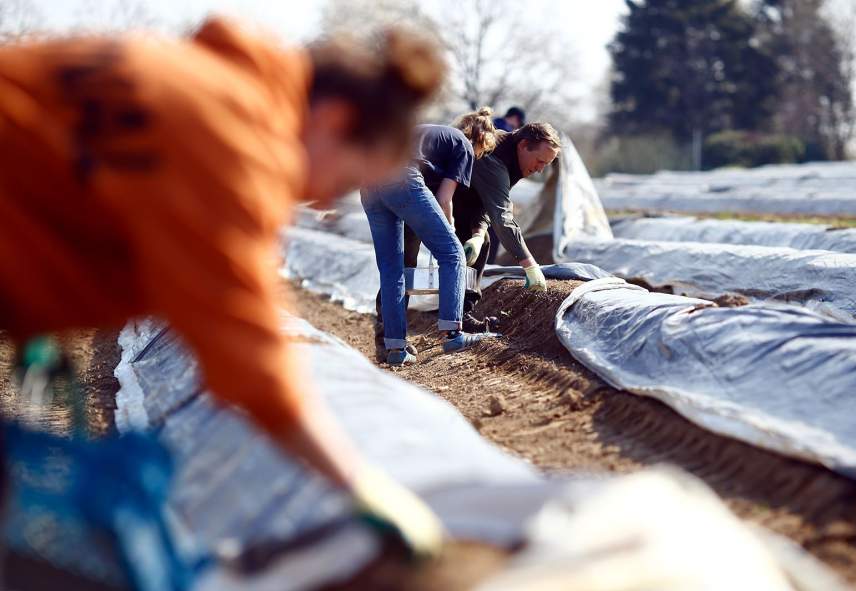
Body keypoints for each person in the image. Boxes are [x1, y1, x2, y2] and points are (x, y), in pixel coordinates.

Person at [0, 19, 445, 554]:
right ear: (332, 119)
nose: (326, 204)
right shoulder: (232, 144)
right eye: (345, 182)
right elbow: (248, 354)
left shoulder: (205, 79)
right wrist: (357, 484)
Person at [362, 115, 498, 366]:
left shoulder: (432, 134)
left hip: (369, 182)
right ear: (480, 142)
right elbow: (445, 199)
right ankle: (454, 334)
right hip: (401, 177)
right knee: (453, 253)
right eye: (481, 153)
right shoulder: (465, 147)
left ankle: (396, 349)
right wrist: (451, 231)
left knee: (393, 270)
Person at [455, 122, 561, 315]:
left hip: (460, 201)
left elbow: (486, 201)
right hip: (429, 194)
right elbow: (501, 217)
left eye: (546, 165)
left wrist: (478, 234)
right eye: (539, 161)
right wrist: (530, 265)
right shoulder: (494, 156)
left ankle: (462, 315)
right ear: (523, 145)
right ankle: (390, 331)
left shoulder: (516, 160)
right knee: (408, 258)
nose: (540, 170)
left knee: (483, 243)